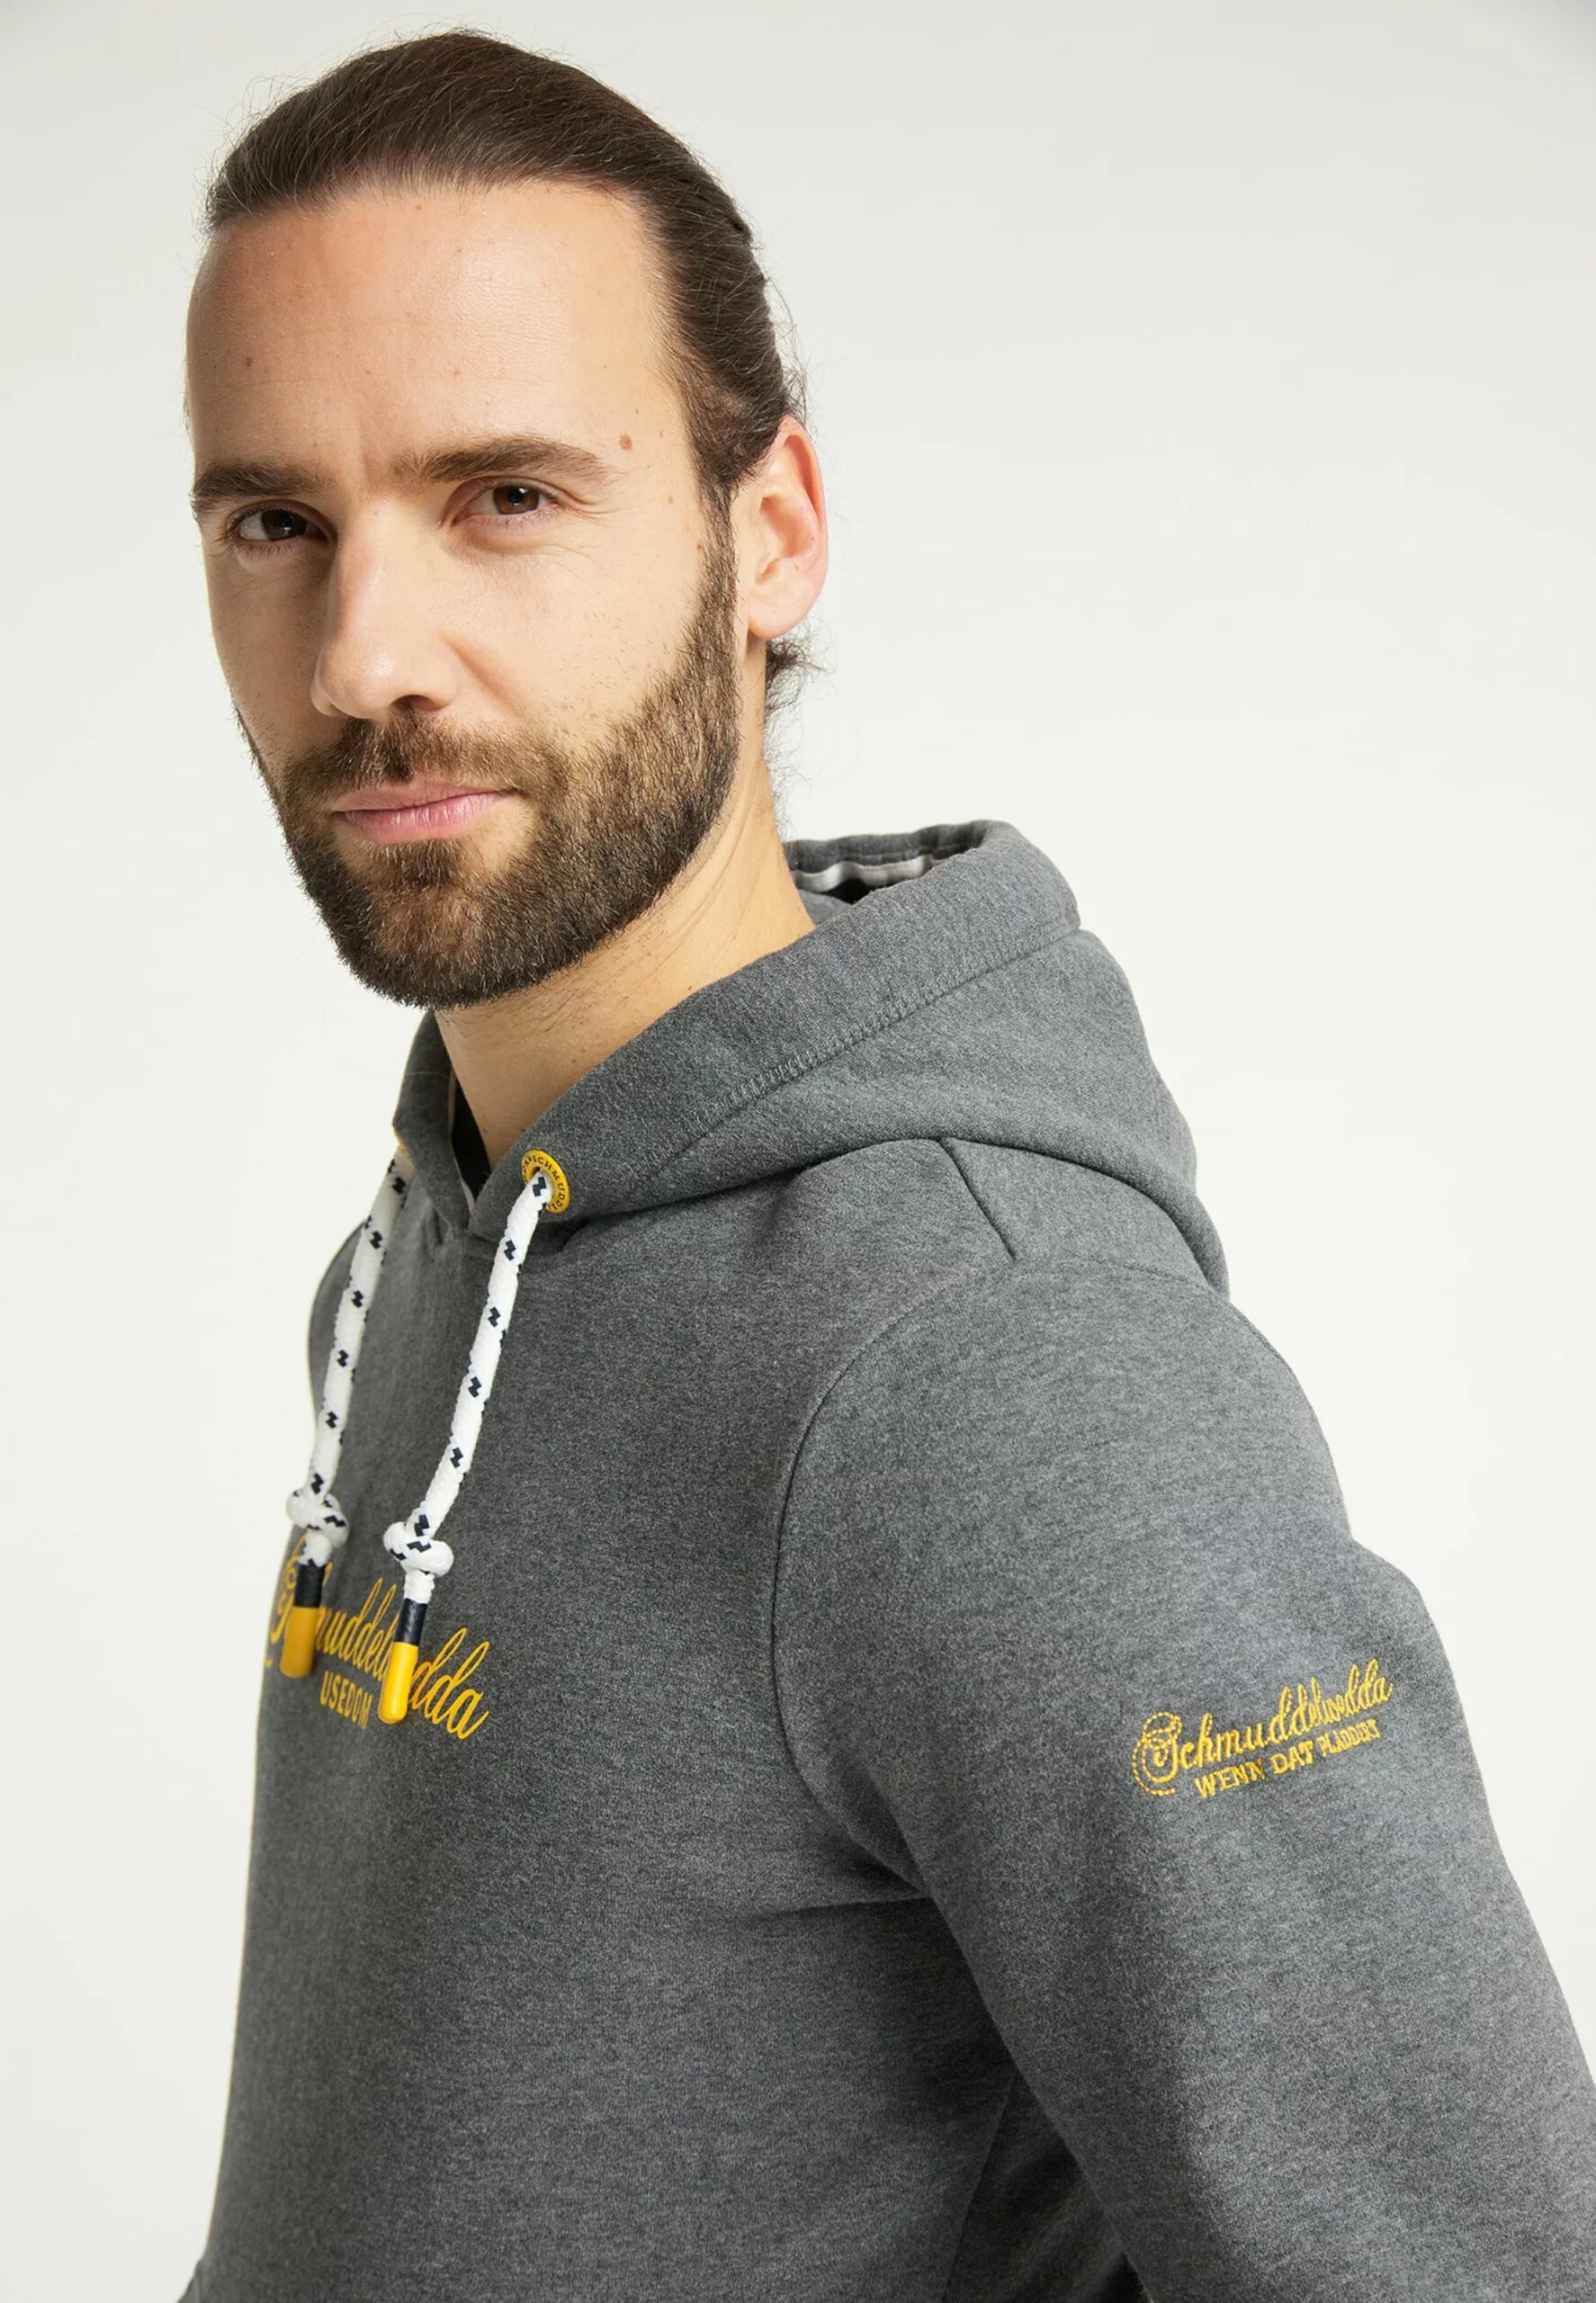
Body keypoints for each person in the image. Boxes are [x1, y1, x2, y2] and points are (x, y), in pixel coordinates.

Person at [179, 31, 1596, 2303]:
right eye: (276, 523)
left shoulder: (995, 1364)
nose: (364, 655)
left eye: (506, 494)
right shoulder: (434, 1233)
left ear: (769, 533)